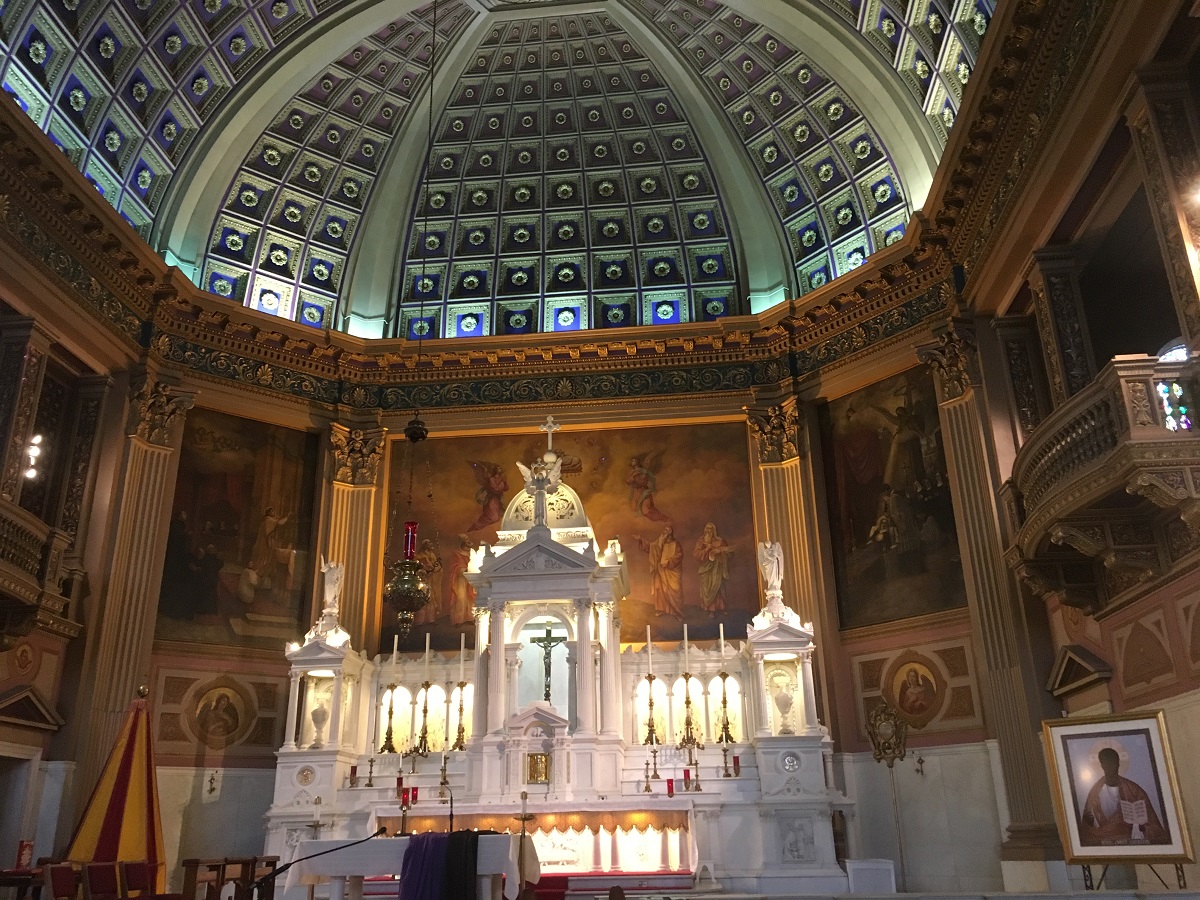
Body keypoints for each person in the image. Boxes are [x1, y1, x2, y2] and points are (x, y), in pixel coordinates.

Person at [1079, 747, 1169, 845]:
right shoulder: (1095, 792)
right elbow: (1087, 827)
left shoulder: (1134, 790)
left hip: (1131, 840)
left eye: (1113, 762)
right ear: (1102, 765)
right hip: (1103, 840)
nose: (1110, 766)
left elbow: (1155, 827)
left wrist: (1141, 827)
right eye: (1106, 763)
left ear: (1118, 764)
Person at [635, 526, 683, 617]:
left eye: (666, 531)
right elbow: (651, 548)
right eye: (663, 531)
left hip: (672, 572)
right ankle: (662, 609)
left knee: (674, 589)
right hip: (660, 570)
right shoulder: (659, 543)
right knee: (659, 589)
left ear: (670, 533)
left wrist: (669, 562)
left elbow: (679, 556)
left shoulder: (676, 544)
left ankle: (677, 612)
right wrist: (641, 539)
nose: (664, 533)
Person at [693, 523, 733, 614]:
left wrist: (720, 552)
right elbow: (696, 554)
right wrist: (707, 550)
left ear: (714, 531)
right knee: (707, 588)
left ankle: (720, 607)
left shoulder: (720, 541)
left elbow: (729, 553)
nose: (708, 531)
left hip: (717, 567)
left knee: (718, 587)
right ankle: (709, 609)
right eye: (707, 529)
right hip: (705, 568)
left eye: (710, 529)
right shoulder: (701, 541)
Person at [446, 535, 476, 626]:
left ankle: (470, 617)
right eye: (465, 540)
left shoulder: (471, 553)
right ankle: (459, 619)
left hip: (470, 578)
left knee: (471, 598)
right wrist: (463, 569)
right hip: (460, 579)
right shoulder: (457, 553)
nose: (468, 542)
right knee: (461, 598)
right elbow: (455, 566)